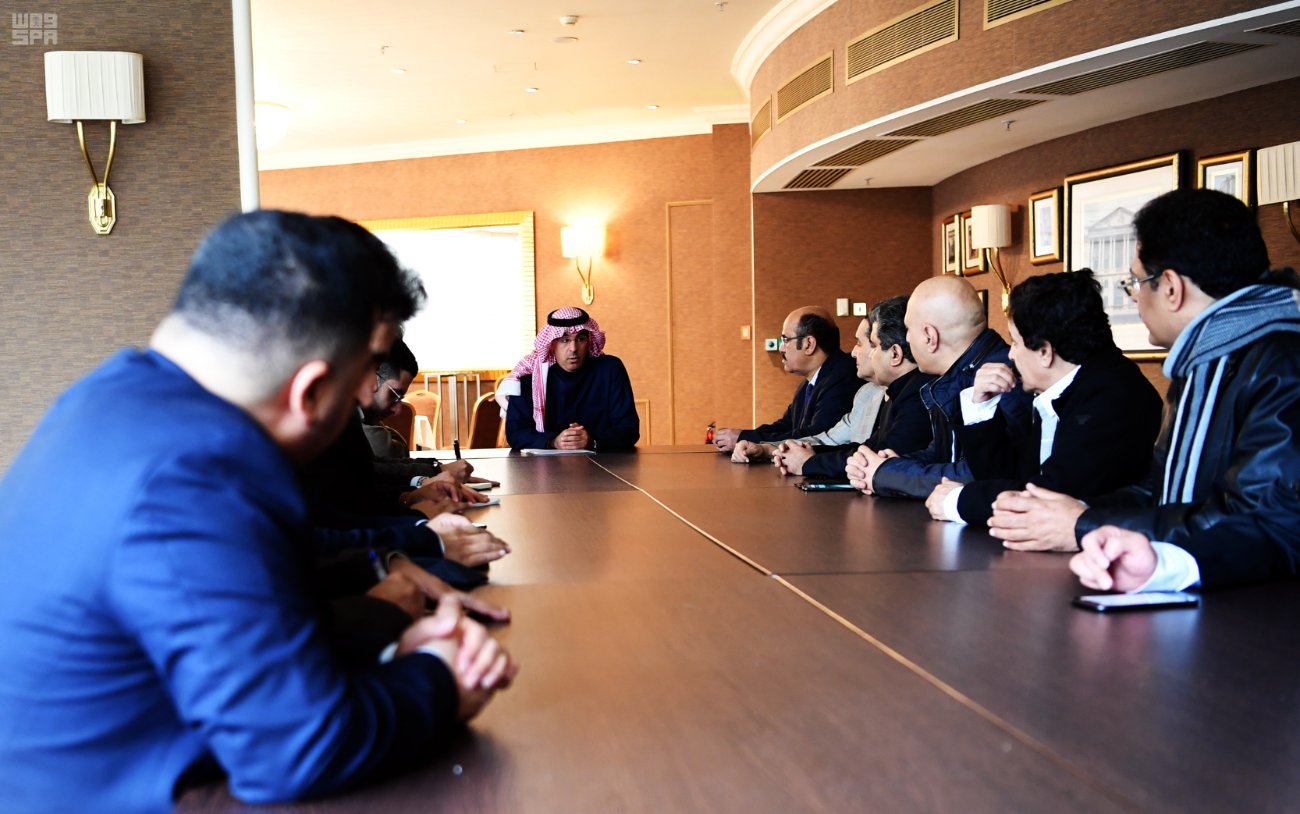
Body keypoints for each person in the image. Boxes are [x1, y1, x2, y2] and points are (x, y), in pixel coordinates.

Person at [0, 211, 517, 813]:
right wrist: (441, 681)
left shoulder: (106, 397)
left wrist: (387, 649)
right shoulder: (200, 471)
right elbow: (295, 750)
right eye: (363, 369)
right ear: (311, 390)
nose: (363, 395)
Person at [976, 189, 1300, 591]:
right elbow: (1161, 490)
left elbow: (1268, 523)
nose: (1133, 296)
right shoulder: (1208, 358)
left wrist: (1082, 524)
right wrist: (1076, 512)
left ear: (1171, 288)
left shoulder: (1283, 363)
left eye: (1135, 282)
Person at [924, 270, 1162, 526]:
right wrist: (981, 407)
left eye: (1015, 343)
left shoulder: (1112, 395)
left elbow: (1054, 496)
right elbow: (1009, 478)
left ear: (1045, 352)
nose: (1011, 355)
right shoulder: (1063, 388)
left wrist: (958, 501)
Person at [847, 276, 1030, 497]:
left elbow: (984, 475)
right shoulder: (954, 377)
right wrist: (888, 464)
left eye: (908, 329)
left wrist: (886, 474)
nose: (906, 339)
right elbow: (942, 454)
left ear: (929, 336)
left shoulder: (1002, 378)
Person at [768, 296, 933, 478]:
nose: (853, 353)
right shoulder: (893, 392)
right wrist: (805, 454)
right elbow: (864, 447)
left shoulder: (918, 393)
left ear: (895, 354)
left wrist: (808, 462)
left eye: (872, 345)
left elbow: (880, 457)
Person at [731, 314, 883, 466]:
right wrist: (767, 449)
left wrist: (806, 462)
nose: (853, 352)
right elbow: (828, 439)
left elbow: (824, 436)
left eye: (785, 340)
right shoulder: (866, 393)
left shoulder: (844, 376)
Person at [712, 306, 859, 453]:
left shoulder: (844, 377)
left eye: (785, 340)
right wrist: (744, 437)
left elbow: (815, 437)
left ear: (809, 344)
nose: (781, 348)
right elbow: (786, 426)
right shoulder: (809, 384)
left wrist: (744, 438)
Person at [502, 307, 639, 450]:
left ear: (589, 341)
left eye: (581, 339)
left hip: (603, 460)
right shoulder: (530, 376)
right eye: (565, 340)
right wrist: (553, 442)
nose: (573, 348)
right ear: (551, 344)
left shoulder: (610, 369)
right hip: (546, 463)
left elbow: (629, 429)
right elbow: (515, 433)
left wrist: (592, 441)